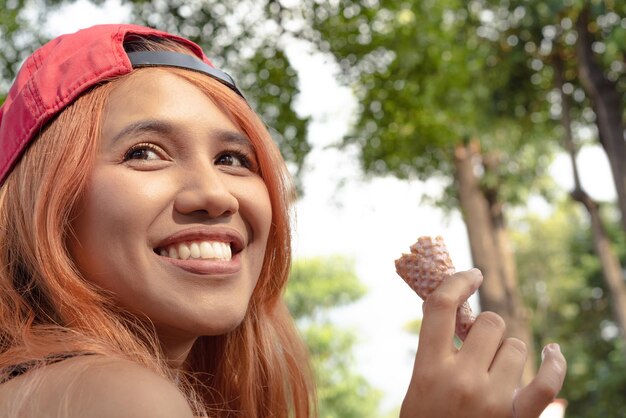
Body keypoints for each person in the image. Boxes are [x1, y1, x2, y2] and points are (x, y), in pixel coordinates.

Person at [0, 24, 566, 417]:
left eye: (233, 159)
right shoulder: (107, 395)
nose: (215, 195)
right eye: (144, 152)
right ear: (44, 207)